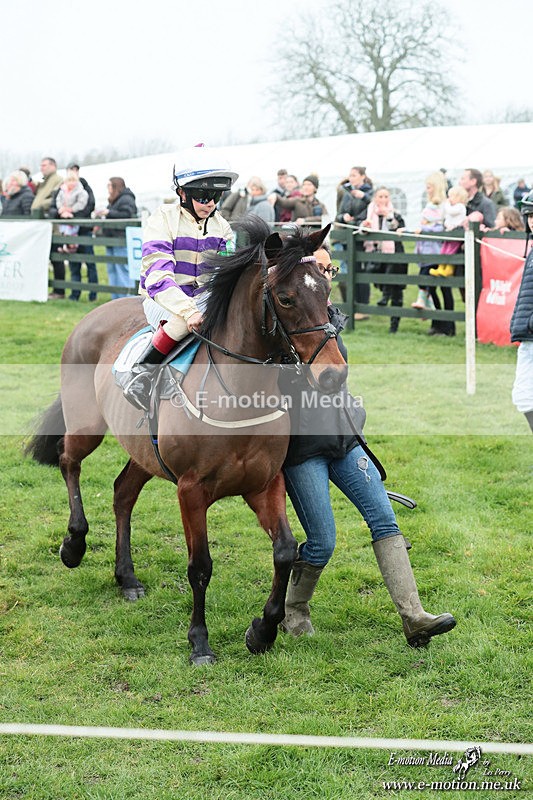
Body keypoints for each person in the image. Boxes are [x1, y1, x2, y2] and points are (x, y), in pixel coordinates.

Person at [280, 235, 456, 647]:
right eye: (321, 269)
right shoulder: (286, 327)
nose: (326, 275)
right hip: (303, 451)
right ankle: (293, 611)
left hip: (345, 442)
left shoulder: (328, 319)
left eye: (329, 270)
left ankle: (415, 617)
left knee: (385, 520)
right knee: (322, 541)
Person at [123, 145, 237, 411]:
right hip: (163, 298)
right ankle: (142, 374)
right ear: (182, 193)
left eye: (216, 195)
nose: (210, 202)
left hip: (205, 298)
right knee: (180, 322)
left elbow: (226, 274)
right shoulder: (161, 220)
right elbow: (158, 275)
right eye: (202, 195)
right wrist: (188, 311)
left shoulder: (224, 228)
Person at [361, 187, 406, 333]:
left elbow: (399, 227)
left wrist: (389, 217)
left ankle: (394, 325)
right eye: (380, 196)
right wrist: (364, 226)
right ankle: (385, 294)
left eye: (386, 196)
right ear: (375, 198)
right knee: (381, 280)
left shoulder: (395, 215)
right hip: (377, 256)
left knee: (396, 292)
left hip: (395, 255)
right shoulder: (369, 213)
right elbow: (361, 229)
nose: (383, 199)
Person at [510, 191, 533, 433]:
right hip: (528, 337)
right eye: (530, 215)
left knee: (526, 396)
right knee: (524, 396)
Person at [93, 177, 137, 299]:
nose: (108, 189)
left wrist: (108, 213)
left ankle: (126, 298)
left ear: (115, 186)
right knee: (112, 270)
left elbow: (127, 215)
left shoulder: (126, 199)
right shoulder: (115, 200)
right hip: (112, 239)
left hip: (120, 240)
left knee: (122, 269)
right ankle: (116, 298)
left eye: (109, 185)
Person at [411, 172, 446, 311]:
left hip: (434, 249)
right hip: (425, 248)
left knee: (425, 277)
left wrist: (424, 227)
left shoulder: (441, 206)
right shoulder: (430, 204)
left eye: (430, 187)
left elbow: (437, 226)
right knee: (424, 278)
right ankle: (429, 306)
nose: (427, 190)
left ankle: (424, 302)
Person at [429, 185, 468, 278]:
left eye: (451, 196)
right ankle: (441, 267)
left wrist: (446, 204)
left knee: (451, 251)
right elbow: (447, 217)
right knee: (444, 250)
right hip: (449, 231)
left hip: (456, 232)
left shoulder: (460, 207)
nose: (449, 199)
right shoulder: (451, 207)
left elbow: (451, 212)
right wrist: (446, 224)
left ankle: (449, 269)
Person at [53, 168, 89, 253]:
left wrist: (71, 209)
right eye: (69, 181)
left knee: (72, 232)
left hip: (73, 215)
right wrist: (61, 209)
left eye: (73, 181)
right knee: (63, 231)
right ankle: (64, 246)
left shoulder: (81, 191)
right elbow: (58, 200)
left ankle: (72, 247)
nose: (71, 183)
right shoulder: (62, 190)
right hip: (64, 215)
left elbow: (81, 202)